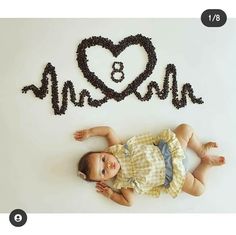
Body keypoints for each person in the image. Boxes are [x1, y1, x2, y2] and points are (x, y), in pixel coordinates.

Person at [75, 124, 225, 207]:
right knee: (199, 190)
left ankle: (201, 151)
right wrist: (111, 195)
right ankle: (206, 165)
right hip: (173, 176)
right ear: (105, 180)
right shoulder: (122, 183)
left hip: (168, 151)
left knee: (185, 129)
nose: (107, 165)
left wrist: (90, 132)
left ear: (104, 151)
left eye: (102, 159)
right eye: (103, 171)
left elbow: (108, 131)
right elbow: (129, 202)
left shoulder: (117, 149)